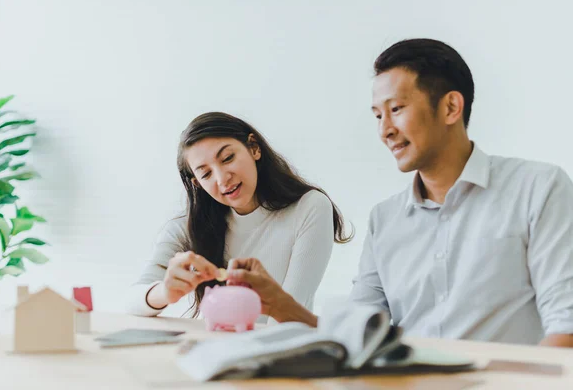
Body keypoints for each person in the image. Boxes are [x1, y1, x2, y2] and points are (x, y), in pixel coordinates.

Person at [228, 38, 573, 347]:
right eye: (378, 115)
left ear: (451, 107)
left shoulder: (539, 188)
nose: (385, 130)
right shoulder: (385, 219)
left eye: (396, 109)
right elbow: (357, 336)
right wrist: (277, 302)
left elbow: (566, 329)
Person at [127, 112, 352, 320]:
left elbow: (294, 309)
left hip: (279, 353)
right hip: (213, 351)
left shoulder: (309, 207)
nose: (222, 178)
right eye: (206, 173)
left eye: (227, 158)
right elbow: (131, 302)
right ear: (197, 184)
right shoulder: (189, 226)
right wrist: (165, 292)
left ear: (254, 148)